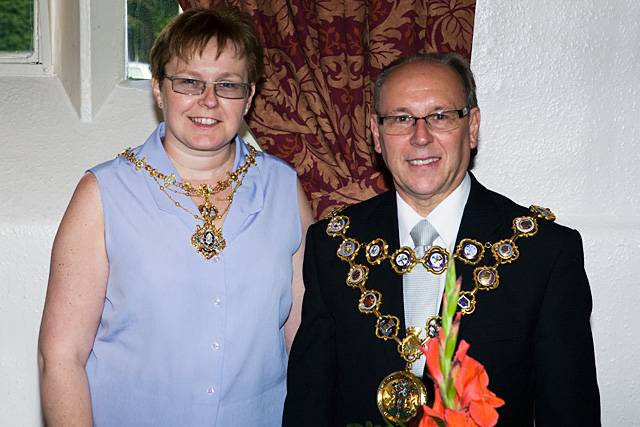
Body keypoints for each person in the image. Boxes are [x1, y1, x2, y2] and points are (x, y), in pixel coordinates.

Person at [283, 53, 600, 426]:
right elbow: (310, 400)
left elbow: (568, 412)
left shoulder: (543, 251)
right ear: (376, 134)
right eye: (401, 118)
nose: (420, 136)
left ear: (473, 126)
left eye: (440, 116)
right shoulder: (333, 245)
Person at [38, 7, 313, 427]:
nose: (209, 100)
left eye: (228, 85)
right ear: (158, 89)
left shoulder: (284, 189)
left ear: (250, 96)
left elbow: (306, 341)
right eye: (189, 82)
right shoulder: (103, 194)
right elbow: (61, 357)